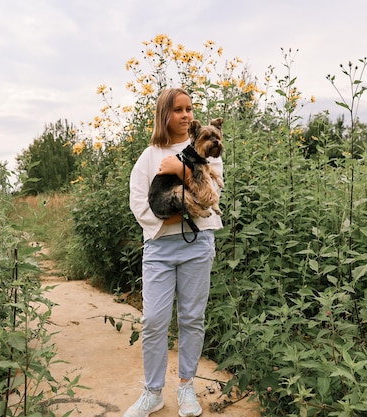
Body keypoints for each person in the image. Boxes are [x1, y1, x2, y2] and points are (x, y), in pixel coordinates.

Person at [125, 87, 223, 417]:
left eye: (189, 109)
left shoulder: (207, 147)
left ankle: (185, 387)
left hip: (197, 245)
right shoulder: (149, 156)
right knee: (154, 320)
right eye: (178, 109)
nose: (185, 115)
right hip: (159, 248)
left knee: (192, 318)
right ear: (164, 114)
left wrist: (181, 172)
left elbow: (215, 188)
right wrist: (178, 215)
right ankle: (153, 392)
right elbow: (139, 203)